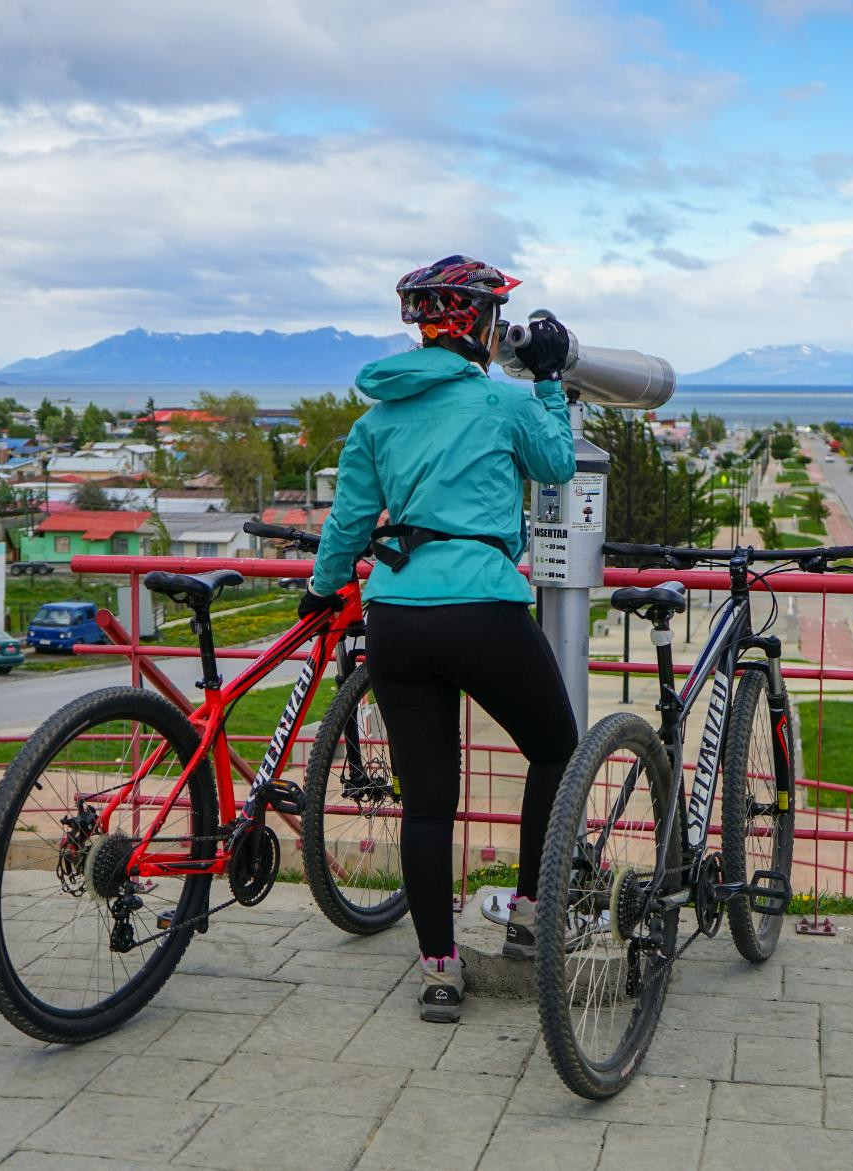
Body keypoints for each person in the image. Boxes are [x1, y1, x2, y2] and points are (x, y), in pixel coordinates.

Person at [301, 255, 578, 1021]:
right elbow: (556, 463)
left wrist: (320, 591)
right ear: (483, 325)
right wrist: (550, 382)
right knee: (555, 747)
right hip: (483, 607)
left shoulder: (375, 419)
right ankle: (527, 908)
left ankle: (437, 969)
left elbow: (348, 523)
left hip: (396, 618)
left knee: (427, 802)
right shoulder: (499, 404)